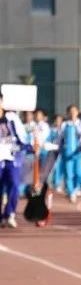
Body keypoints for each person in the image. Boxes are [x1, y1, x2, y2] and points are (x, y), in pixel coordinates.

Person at [0, 96, 31, 228]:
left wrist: (26, 146)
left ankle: (10, 213)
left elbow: (22, 137)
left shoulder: (12, 117)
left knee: (14, 184)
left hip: (12, 158)